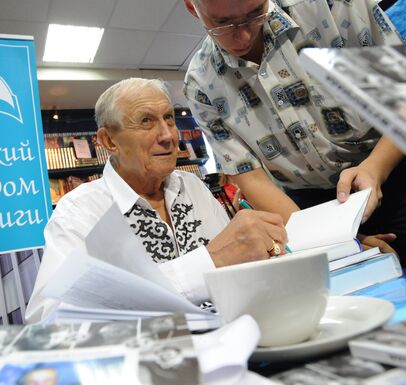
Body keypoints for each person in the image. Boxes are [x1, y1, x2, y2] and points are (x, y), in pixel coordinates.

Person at [25, 77, 287, 323]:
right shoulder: (80, 211)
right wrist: (209, 261)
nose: (168, 136)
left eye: (169, 118)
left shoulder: (193, 187)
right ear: (109, 141)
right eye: (146, 121)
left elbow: (236, 269)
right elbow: (51, 318)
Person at [182, 0, 405, 261]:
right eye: (222, 23)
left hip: (392, 164)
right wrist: (330, 239)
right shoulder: (201, 85)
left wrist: (375, 167)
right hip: (305, 209)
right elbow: (251, 178)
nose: (242, 35)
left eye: (255, 14)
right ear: (191, 7)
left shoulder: (336, 7)